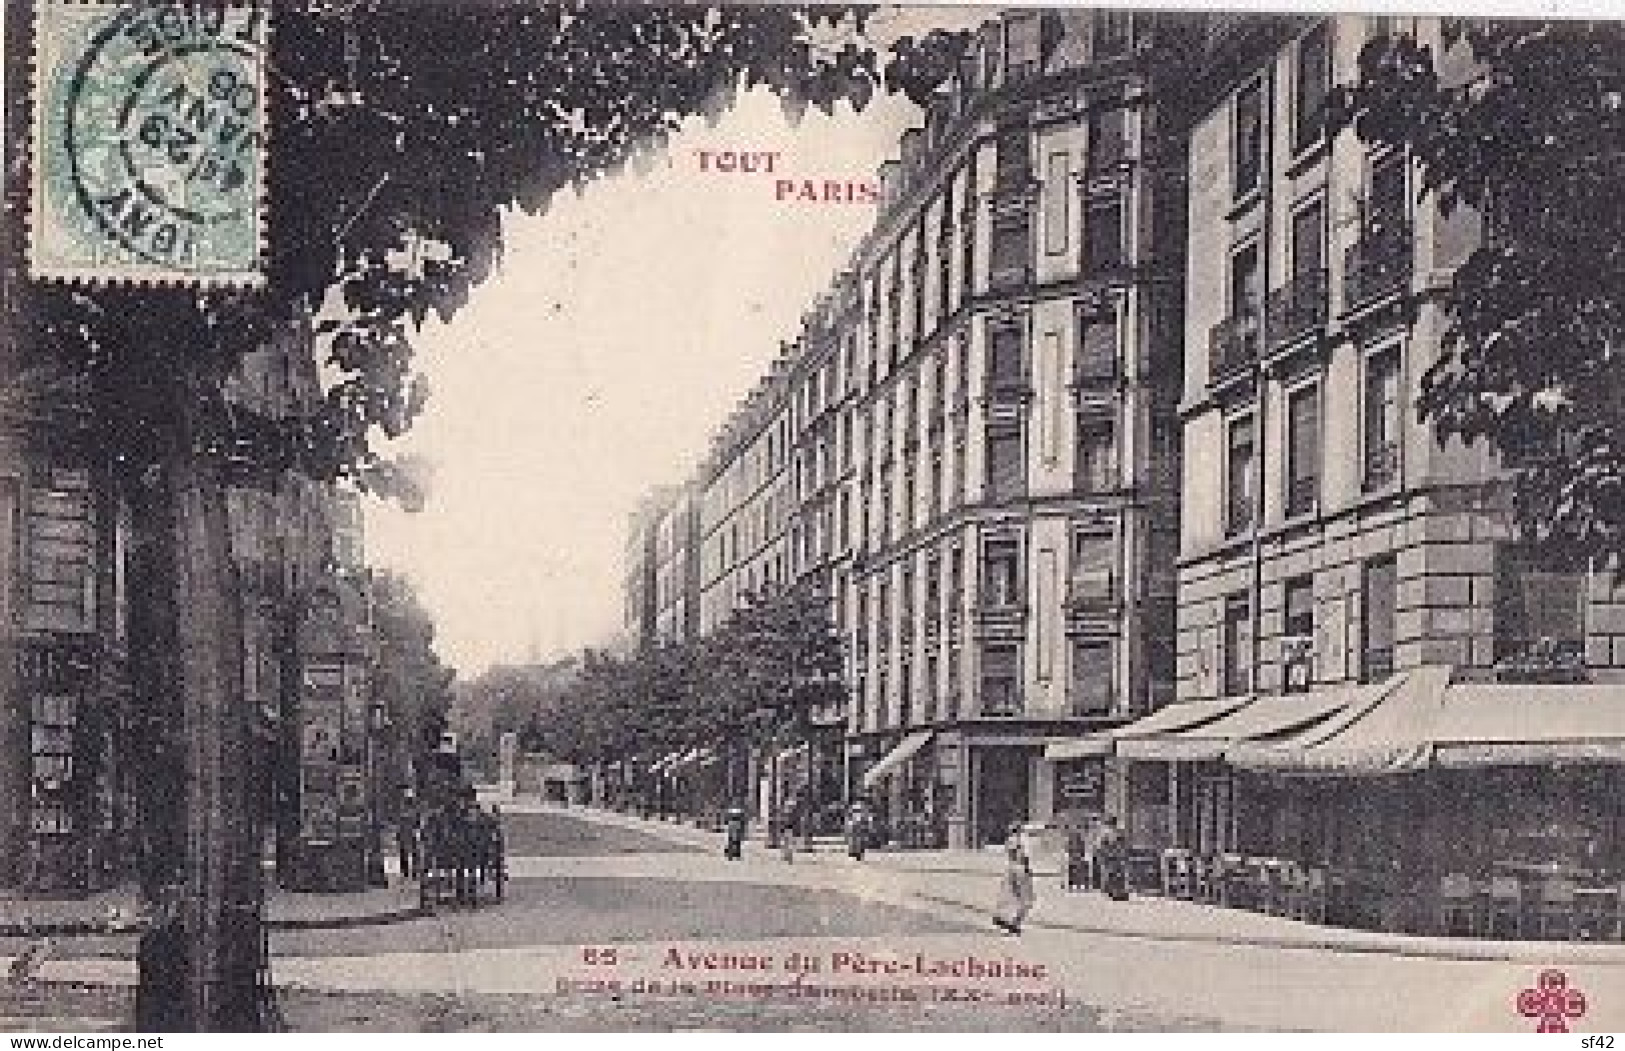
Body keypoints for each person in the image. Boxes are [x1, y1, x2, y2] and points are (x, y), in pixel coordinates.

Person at [993, 823, 1036, 935]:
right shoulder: (1020, 842)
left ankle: (1003, 917)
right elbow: (1023, 857)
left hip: (1010, 869)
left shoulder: (1009, 841)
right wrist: (1028, 869)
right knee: (1028, 900)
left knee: (1010, 896)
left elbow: (1012, 855)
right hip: (1020, 869)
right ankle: (1014, 922)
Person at [1097, 815, 1130, 901]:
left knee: (1116, 875)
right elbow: (1103, 846)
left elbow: (1123, 844)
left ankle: (1118, 893)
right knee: (1113, 875)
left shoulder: (1116, 832)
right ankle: (1114, 893)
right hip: (1111, 856)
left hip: (1115, 856)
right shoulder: (1108, 833)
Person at [397, 792, 420, 880]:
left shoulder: (413, 811)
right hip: (405, 834)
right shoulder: (403, 810)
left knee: (413, 854)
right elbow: (400, 823)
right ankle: (406, 872)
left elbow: (417, 823)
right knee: (405, 854)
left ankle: (412, 872)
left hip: (410, 834)